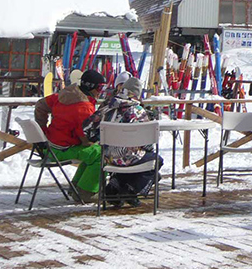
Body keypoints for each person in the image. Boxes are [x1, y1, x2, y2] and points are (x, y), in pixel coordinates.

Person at [81, 77, 162, 208]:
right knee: (155, 160)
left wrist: (100, 139)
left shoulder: (107, 105)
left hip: (107, 157)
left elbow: (87, 127)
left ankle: (115, 187)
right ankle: (129, 191)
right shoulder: (138, 111)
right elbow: (148, 143)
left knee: (129, 157)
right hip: (128, 158)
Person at [33, 69, 105, 203]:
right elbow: (85, 138)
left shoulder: (63, 94)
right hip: (60, 151)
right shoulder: (84, 107)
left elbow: (40, 105)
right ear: (91, 87)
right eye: (100, 87)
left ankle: (77, 188)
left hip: (47, 146)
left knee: (93, 153)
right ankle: (85, 193)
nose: (100, 91)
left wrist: (42, 131)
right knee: (102, 155)